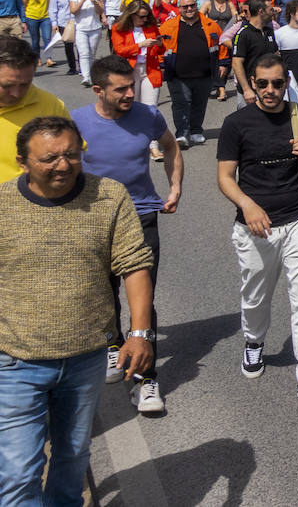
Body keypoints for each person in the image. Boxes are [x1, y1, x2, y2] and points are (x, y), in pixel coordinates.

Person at [0, 116, 155, 505]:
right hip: (15, 361)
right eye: (49, 158)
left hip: (86, 359)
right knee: (19, 472)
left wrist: (139, 333)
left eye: (72, 154)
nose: (63, 165)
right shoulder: (2, 204)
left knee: (72, 458)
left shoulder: (110, 195)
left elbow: (134, 264)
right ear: (22, 162)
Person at [216, 52, 298, 411]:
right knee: (256, 296)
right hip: (255, 228)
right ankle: (253, 341)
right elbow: (224, 177)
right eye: (262, 83)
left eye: (278, 83)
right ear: (251, 82)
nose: (270, 90)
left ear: (286, 82)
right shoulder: (237, 123)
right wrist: (248, 205)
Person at [73, 57, 182, 414]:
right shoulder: (76, 122)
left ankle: (146, 380)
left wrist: (175, 186)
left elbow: (171, 147)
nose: (130, 94)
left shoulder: (148, 116)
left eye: (132, 86)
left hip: (141, 217)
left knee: (142, 302)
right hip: (93, 222)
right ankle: (112, 344)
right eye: (121, 89)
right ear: (98, 91)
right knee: (103, 297)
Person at [158, 0, 223, 148]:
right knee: (181, 104)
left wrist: (222, 64)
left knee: (199, 104)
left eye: (192, 5)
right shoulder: (168, 27)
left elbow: (221, 47)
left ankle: (196, 131)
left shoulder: (210, 25)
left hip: (204, 74)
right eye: (185, 6)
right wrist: (161, 66)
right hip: (178, 75)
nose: (189, 9)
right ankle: (182, 134)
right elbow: (159, 49)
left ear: (196, 6)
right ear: (178, 8)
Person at [0, 36, 69, 184]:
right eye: (7, 86)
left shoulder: (51, 106)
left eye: (25, 84)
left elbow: (72, 155)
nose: (17, 94)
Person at [110, 0, 166, 157]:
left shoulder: (150, 26)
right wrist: (141, 45)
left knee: (150, 109)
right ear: (131, 15)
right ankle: (132, 142)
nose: (145, 19)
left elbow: (161, 49)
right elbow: (119, 50)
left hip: (150, 70)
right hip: (130, 72)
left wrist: (160, 44)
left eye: (147, 16)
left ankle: (153, 146)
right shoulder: (118, 28)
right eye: (141, 16)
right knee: (130, 107)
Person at [231, 0, 279, 107]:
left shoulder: (269, 31)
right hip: (250, 91)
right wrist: (246, 89)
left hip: (269, 89)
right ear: (261, 12)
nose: (273, 12)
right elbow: (236, 63)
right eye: (271, 9)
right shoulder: (243, 34)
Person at [69, 0, 105, 86]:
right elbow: (73, 11)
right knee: (84, 53)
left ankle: (91, 75)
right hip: (81, 29)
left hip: (95, 28)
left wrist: (94, 2)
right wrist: (82, 1)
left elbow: (100, 11)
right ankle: (86, 77)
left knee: (92, 53)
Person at [20, 0, 53, 66]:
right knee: (35, 39)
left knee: (47, 38)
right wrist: (24, 19)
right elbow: (24, 5)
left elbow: (52, 4)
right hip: (31, 17)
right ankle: (37, 58)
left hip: (46, 17)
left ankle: (48, 58)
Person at [49, 0, 79, 76]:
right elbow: (53, 9)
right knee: (68, 46)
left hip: (78, 22)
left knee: (80, 45)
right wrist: (54, 23)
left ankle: (82, 67)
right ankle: (72, 67)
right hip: (64, 23)